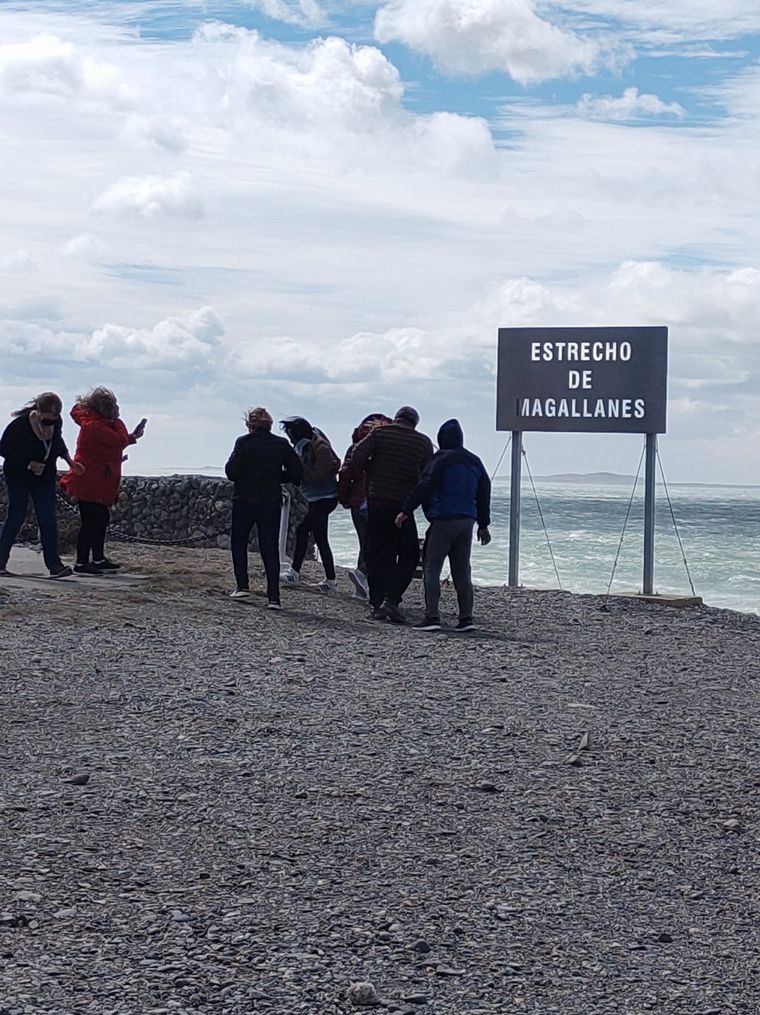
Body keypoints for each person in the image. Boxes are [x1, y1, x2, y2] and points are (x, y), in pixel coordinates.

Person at [396, 418, 491, 633]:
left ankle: (432, 617)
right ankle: (466, 618)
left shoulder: (440, 459)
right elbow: (484, 492)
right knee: (462, 570)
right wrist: (483, 524)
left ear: (442, 439)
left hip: (443, 520)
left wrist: (406, 509)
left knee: (432, 568)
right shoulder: (475, 461)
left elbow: (425, 485)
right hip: (467, 522)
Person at [350, 405, 433, 622]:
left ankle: (377, 604)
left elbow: (356, 455)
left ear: (396, 419)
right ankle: (392, 600)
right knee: (409, 555)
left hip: (377, 502)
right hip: (403, 508)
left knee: (377, 554)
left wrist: (371, 469)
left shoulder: (379, 434)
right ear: (414, 423)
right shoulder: (422, 442)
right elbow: (428, 475)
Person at [60, 388, 146, 574]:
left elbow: (111, 443)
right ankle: (82, 562)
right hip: (90, 482)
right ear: (106, 409)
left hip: (95, 481)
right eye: (114, 406)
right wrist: (120, 424)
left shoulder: (96, 424)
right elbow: (117, 441)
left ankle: (97, 559)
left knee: (100, 519)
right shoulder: (95, 426)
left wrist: (133, 437)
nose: (118, 409)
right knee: (91, 522)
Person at [224, 406, 302, 607]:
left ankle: (242, 586)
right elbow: (296, 471)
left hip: (244, 499)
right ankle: (273, 597)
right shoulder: (281, 444)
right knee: (269, 547)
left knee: (239, 543)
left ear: (251, 425)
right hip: (270, 500)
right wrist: (278, 477)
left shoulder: (243, 443)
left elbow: (231, 472)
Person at [0, 392, 83, 578]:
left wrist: (70, 461)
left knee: (47, 519)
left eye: (54, 420)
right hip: (18, 475)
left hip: (44, 477)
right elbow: (4, 449)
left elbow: (57, 443)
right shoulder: (19, 426)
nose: (50, 424)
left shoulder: (56, 423)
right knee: (16, 516)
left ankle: (54, 565)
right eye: (47, 420)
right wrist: (28, 463)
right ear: (38, 411)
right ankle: (0, 561)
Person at [280, 417, 341, 592]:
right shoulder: (306, 445)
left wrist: (299, 465)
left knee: (302, 530)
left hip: (325, 497)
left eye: (290, 435)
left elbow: (318, 477)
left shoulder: (320, 448)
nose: (290, 439)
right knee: (321, 539)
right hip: (316, 498)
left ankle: (294, 573)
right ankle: (331, 581)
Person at [337, 413, 391, 600]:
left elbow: (345, 474)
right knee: (378, 544)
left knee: (365, 544)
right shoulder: (387, 447)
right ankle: (364, 577)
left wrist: (344, 498)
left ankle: (362, 585)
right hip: (377, 500)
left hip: (356, 501)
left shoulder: (356, 448)